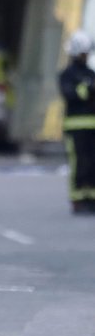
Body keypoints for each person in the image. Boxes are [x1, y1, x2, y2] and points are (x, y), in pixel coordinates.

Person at [59, 30, 95, 214]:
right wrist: (86, 90)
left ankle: (92, 198)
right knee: (78, 164)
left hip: (92, 126)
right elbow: (71, 94)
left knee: (92, 164)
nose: (86, 56)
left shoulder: (90, 73)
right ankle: (78, 199)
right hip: (75, 127)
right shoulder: (67, 74)